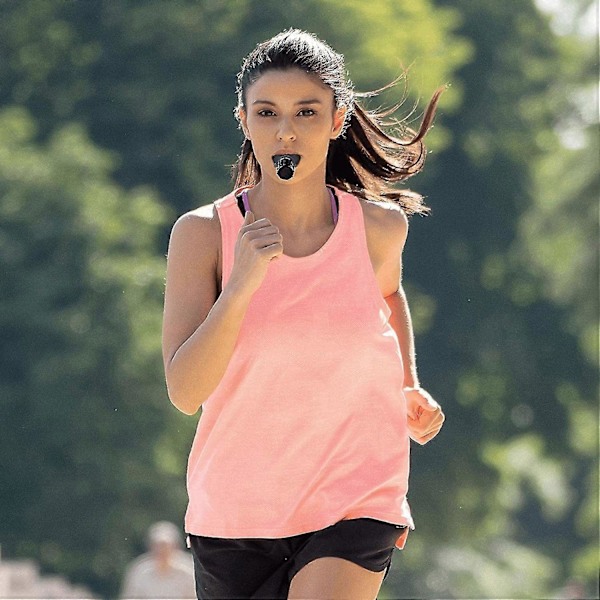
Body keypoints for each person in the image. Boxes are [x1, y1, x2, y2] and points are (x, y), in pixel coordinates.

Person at [162, 29, 446, 600]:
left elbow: (387, 298)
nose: (286, 130)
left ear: (338, 120)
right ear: (243, 121)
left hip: (355, 495)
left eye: (306, 112)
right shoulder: (201, 235)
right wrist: (240, 286)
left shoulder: (379, 229)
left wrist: (409, 384)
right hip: (237, 510)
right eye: (267, 113)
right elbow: (185, 390)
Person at [120, 521, 195, 599]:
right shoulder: (139, 572)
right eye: (158, 546)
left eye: (165, 546)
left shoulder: (188, 570)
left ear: (176, 546)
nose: (162, 551)